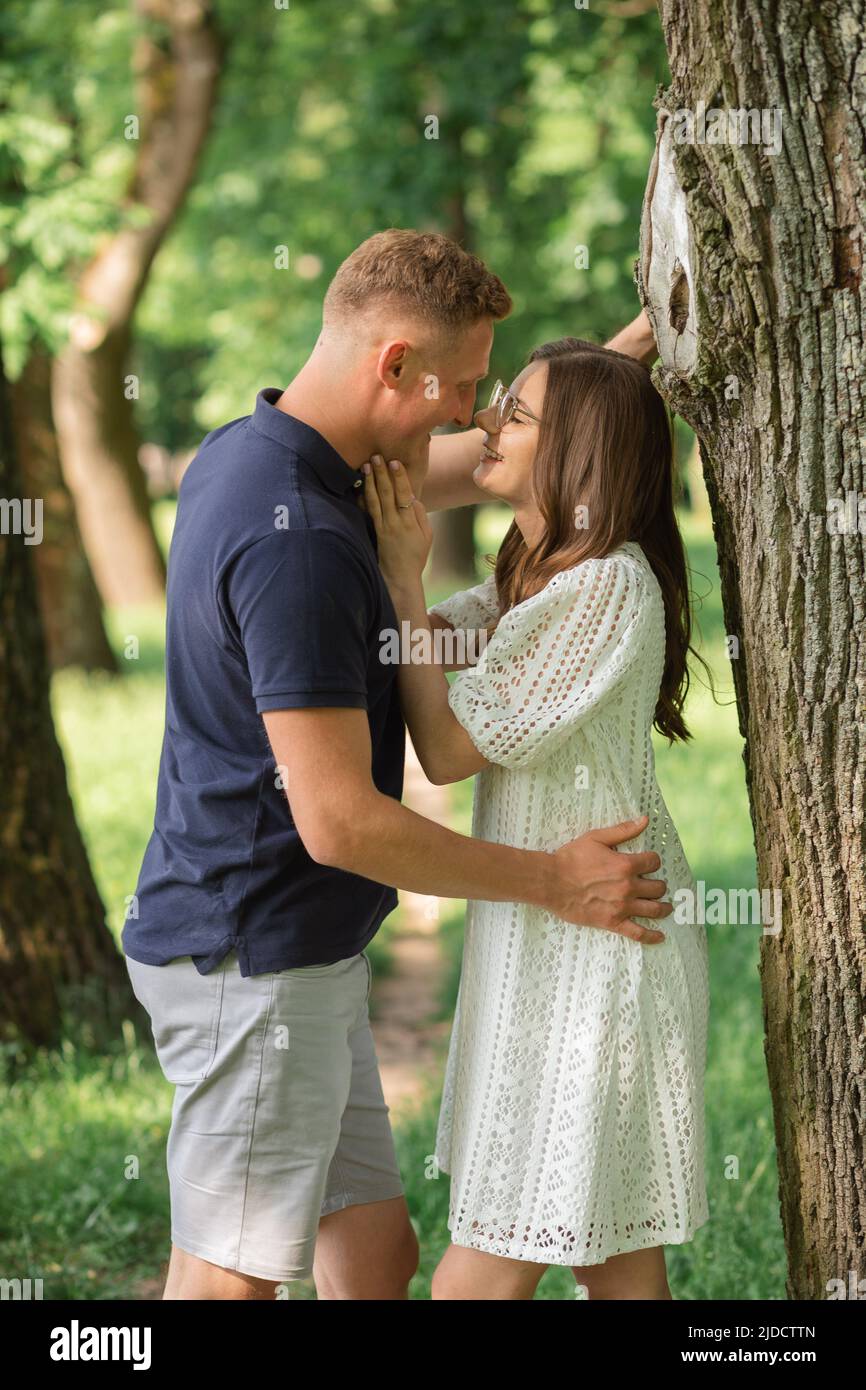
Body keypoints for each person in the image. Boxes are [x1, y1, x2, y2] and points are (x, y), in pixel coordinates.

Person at [123, 228, 672, 1300]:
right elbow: (343, 823)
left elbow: (528, 457)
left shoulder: (264, 451)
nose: (473, 415)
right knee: (228, 1275)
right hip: (252, 953)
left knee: (375, 1260)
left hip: (301, 946)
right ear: (394, 368)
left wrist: (630, 354)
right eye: (464, 386)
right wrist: (555, 879)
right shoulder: (305, 547)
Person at [361, 335, 711, 1300]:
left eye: (514, 412)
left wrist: (402, 574)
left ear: (579, 451)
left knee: (470, 1285)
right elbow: (429, 646)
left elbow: (447, 744)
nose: (487, 421)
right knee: (617, 1264)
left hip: (600, 956)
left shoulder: (604, 586)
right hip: (562, 939)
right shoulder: (540, 578)